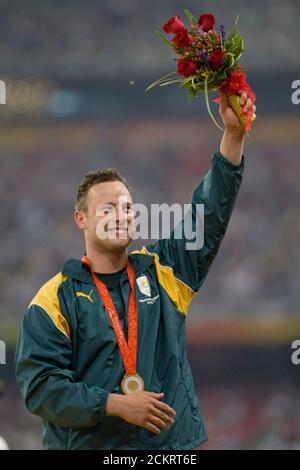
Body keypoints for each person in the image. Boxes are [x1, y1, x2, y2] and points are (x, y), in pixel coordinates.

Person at [15, 93, 256, 450]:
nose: (121, 215)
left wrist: (233, 136)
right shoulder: (54, 299)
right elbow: (40, 388)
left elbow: (207, 218)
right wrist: (114, 405)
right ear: (81, 219)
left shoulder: (163, 272)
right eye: (107, 208)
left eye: (127, 207)